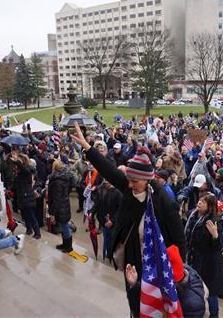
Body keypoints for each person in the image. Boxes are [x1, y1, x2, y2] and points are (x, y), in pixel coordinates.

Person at [71, 122, 185, 316]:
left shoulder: (164, 202)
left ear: (147, 179)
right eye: (129, 180)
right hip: (133, 256)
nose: (129, 185)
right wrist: (88, 148)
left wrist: (178, 274)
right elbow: (109, 170)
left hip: (156, 264)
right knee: (135, 300)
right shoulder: (128, 186)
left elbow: (179, 239)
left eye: (135, 181)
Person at [184, 193, 223, 318]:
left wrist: (215, 236)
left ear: (210, 206)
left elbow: (218, 247)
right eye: (199, 200)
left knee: (210, 294)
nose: (199, 203)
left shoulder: (214, 221)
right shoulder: (193, 215)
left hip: (209, 265)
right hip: (193, 259)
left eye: (203, 201)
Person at [47, 160, 76, 252]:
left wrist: (52, 212)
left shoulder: (57, 181)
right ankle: (65, 244)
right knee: (63, 226)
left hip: (61, 207)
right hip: (64, 204)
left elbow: (56, 198)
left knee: (65, 226)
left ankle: (68, 247)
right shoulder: (65, 177)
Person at [91, 178, 122, 261]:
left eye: (107, 182)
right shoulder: (100, 190)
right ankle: (108, 254)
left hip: (113, 222)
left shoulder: (118, 193)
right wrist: (91, 212)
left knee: (113, 240)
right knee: (106, 238)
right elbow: (97, 203)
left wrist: (112, 220)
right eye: (104, 182)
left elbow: (120, 210)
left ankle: (112, 255)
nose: (105, 184)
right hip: (104, 220)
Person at [12, 152, 42, 239]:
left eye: (20, 160)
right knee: (25, 215)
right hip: (22, 197)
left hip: (27, 196)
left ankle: (37, 233)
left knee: (31, 215)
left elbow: (24, 170)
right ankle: (29, 230)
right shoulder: (19, 172)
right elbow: (16, 184)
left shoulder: (28, 171)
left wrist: (17, 161)